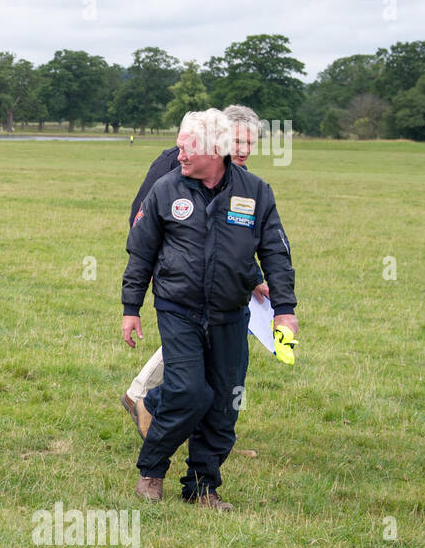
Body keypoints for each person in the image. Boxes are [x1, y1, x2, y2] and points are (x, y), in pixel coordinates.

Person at [121, 109, 297, 510]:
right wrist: (132, 306)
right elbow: (140, 249)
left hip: (230, 313)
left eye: (187, 148)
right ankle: (152, 470)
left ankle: (202, 488)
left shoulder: (255, 191)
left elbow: (274, 252)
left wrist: (283, 308)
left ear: (214, 150)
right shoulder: (167, 187)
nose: (178, 154)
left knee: (224, 402)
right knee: (189, 390)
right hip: (177, 307)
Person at [121, 105, 267, 436]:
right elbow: (142, 216)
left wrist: (255, 277)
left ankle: (163, 404)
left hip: (213, 277)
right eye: (238, 141)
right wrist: (162, 266)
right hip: (172, 265)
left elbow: (232, 235)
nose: (243, 150)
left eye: (250, 144)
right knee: (191, 332)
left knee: (208, 335)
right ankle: (144, 396)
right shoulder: (176, 161)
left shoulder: (232, 175)